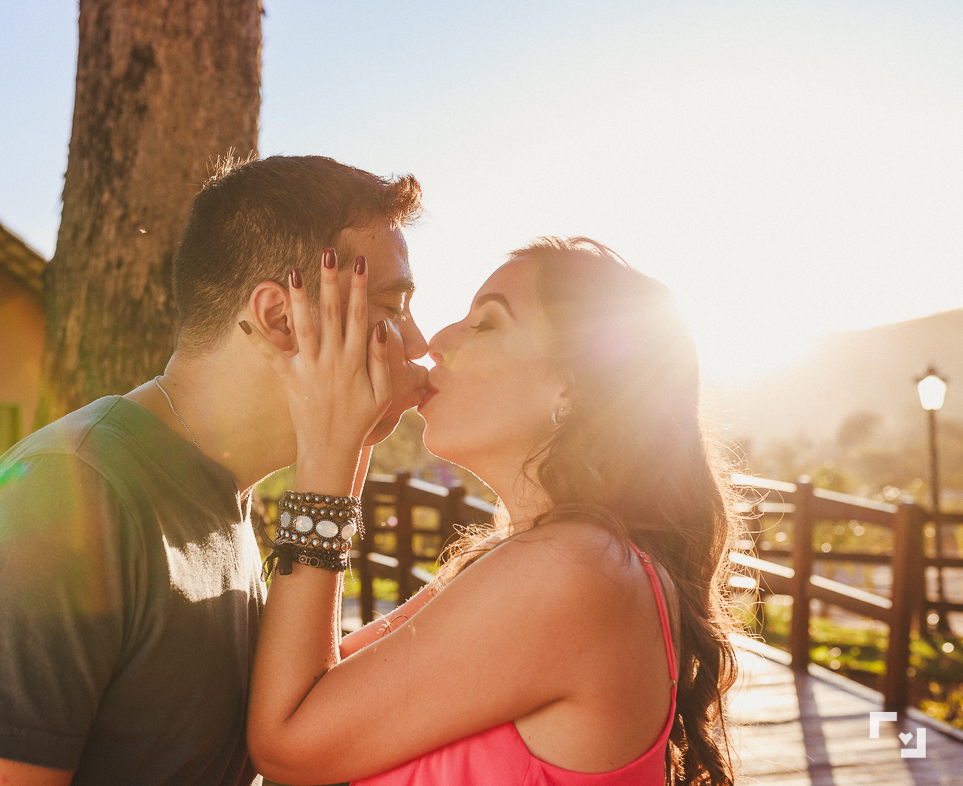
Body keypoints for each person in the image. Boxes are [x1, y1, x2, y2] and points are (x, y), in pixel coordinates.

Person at [0, 154, 431, 786]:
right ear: (282, 318)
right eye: (392, 305)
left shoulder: (224, 495)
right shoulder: (67, 495)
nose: (415, 342)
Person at [244, 237, 740, 785]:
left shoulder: (578, 571)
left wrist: (330, 446)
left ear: (570, 385)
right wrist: (353, 432)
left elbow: (290, 747)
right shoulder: (545, 559)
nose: (435, 342)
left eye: (485, 324)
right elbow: (320, 687)